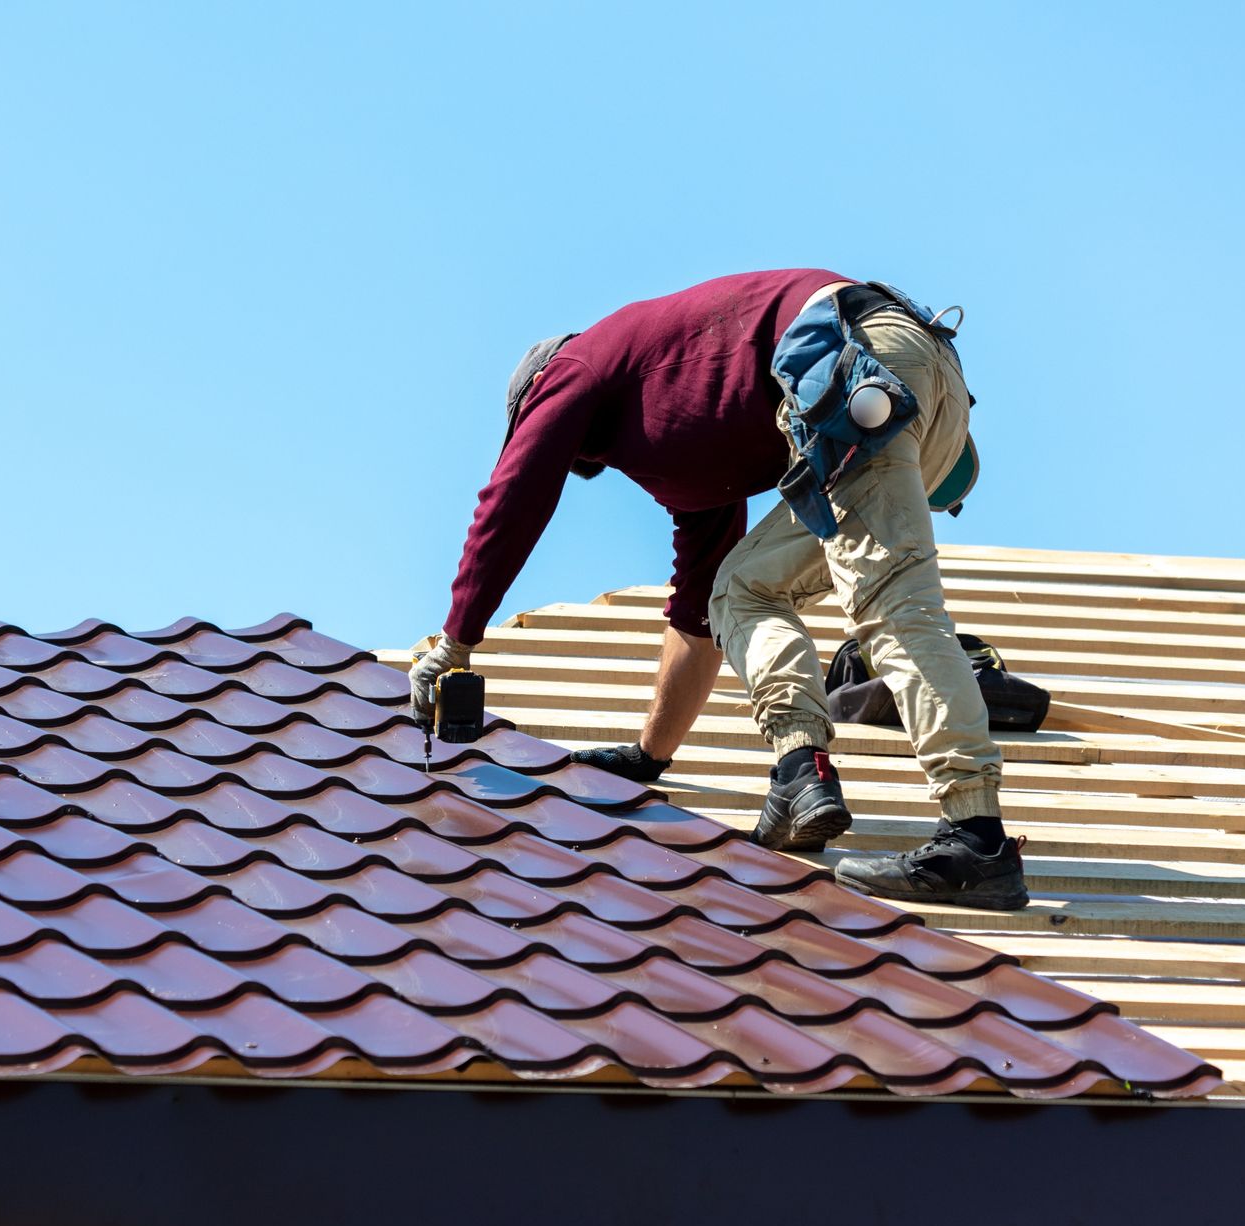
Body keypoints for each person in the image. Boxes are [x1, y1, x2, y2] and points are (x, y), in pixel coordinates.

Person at [409, 270, 1027, 910]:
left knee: (893, 605)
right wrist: (649, 758)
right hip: (912, 387)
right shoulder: (693, 426)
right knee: (742, 590)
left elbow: (514, 497)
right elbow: (700, 609)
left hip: (854, 365)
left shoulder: (575, 365)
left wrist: (456, 640)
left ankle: (975, 835)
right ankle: (799, 773)